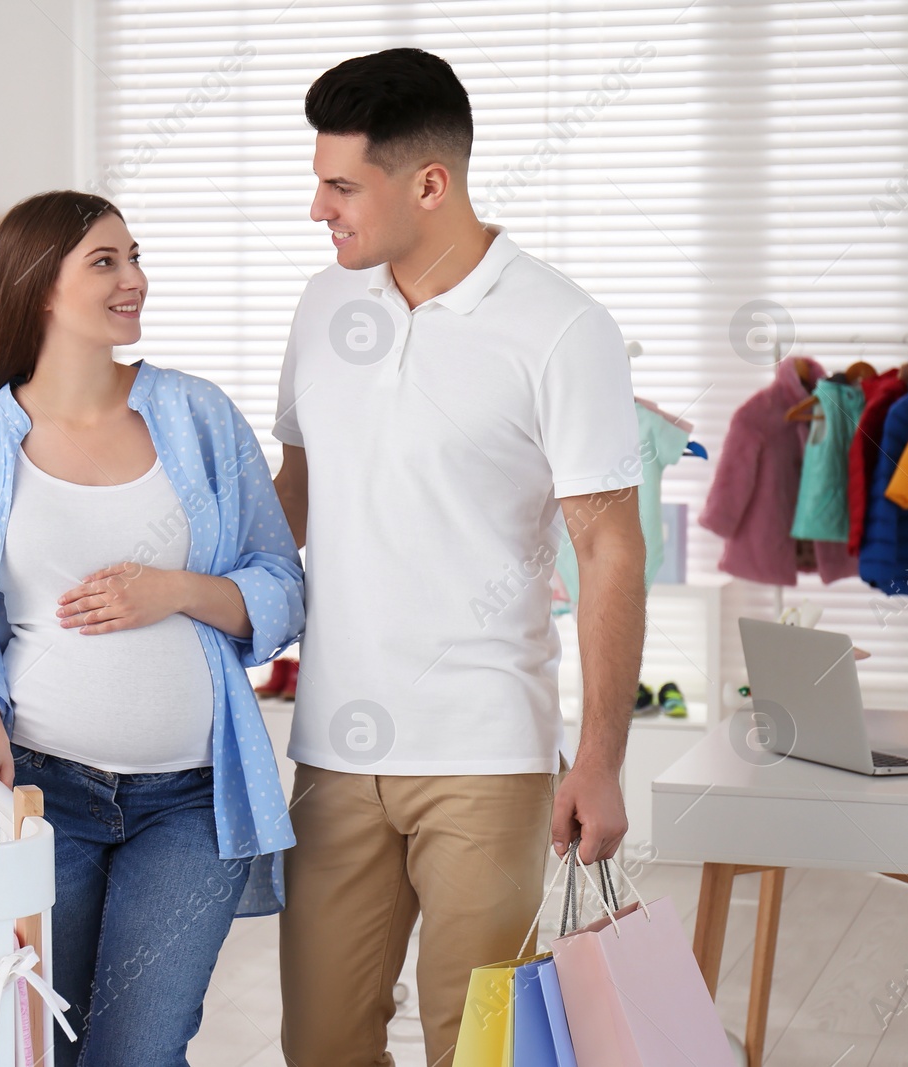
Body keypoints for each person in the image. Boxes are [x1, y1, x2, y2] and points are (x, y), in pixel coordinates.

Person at [270, 49, 647, 1064]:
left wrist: (601, 757)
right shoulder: (321, 307)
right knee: (320, 1042)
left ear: (428, 184)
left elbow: (609, 544)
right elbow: (289, 504)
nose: (319, 209)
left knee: (478, 1047)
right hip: (333, 748)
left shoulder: (560, 326)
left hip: (484, 747)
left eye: (340, 185)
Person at [0, 189, 304, 1067]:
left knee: (138, 1048)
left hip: (195, 800)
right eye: (107, 261)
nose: (136, 280)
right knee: (41, 1041)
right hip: (44, 797)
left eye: (135, 257)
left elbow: (281, 585)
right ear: (42, 286)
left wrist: (176, 589)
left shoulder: (197, 416)